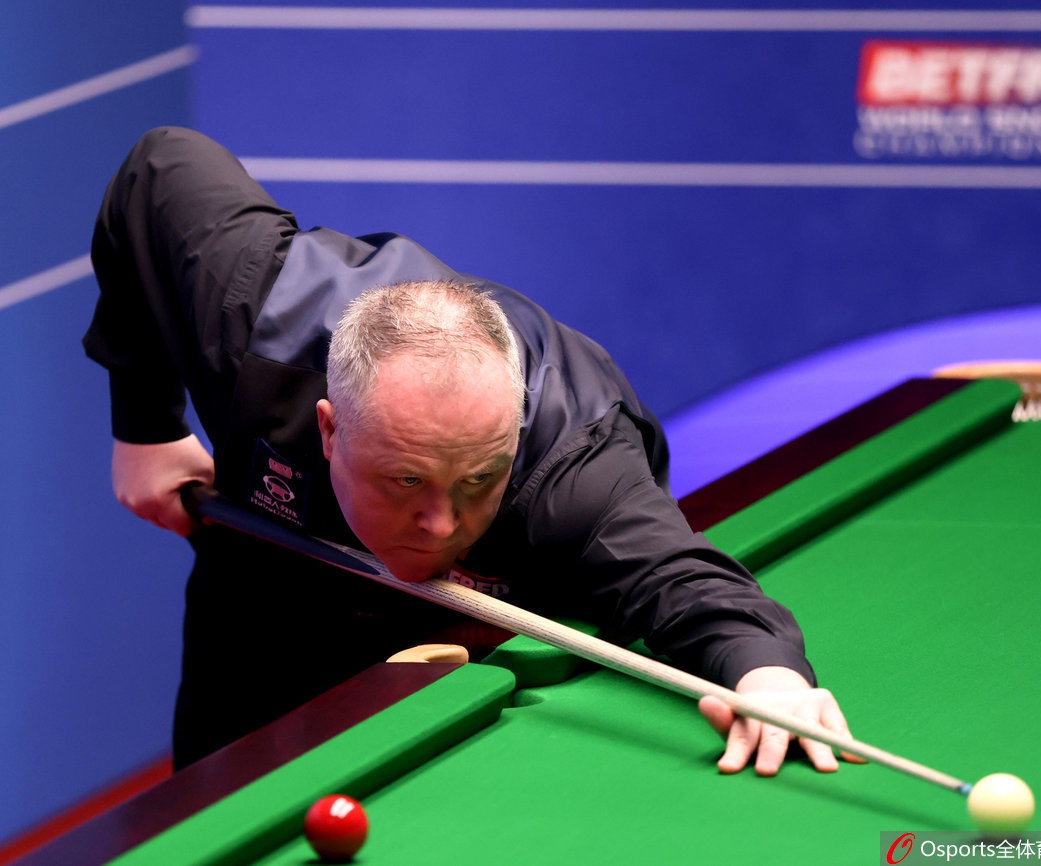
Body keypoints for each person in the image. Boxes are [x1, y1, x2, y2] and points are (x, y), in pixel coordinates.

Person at [86, 126, 855, 773]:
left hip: (479, 644)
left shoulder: (573, 474)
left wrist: (768, 674)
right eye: (405, 479)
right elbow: (160, 167)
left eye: (479, 479)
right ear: (329, 428)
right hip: (272, 583)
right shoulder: (257, 326)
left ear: (513, 436)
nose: (441, 524)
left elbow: (683, 581)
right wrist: (144, 426)